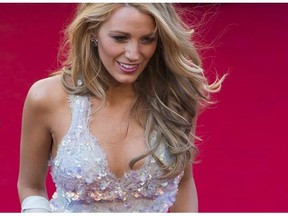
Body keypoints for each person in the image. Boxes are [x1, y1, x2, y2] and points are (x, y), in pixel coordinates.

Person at [17, 3, 224, 213]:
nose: (134, 54)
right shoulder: (46, 97)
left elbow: (183, 182)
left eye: (147, 39)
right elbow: (30, 186)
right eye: (120, 38)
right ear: (92, 32)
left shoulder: (176, 99)